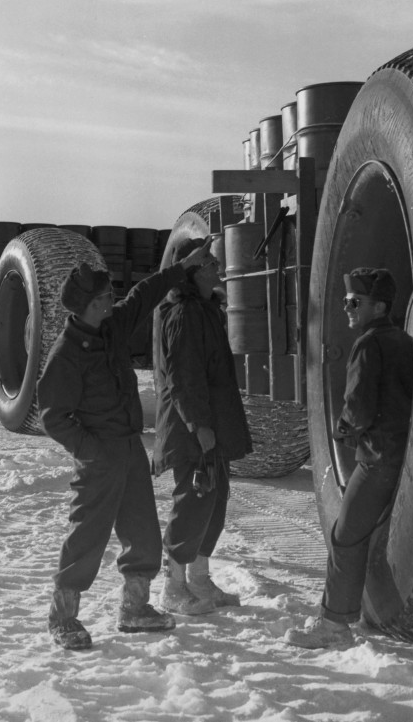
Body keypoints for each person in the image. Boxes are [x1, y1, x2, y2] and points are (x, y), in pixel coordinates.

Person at [38, 238, 216, 651]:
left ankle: (134, 609)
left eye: (109, 296)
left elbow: (145, 294)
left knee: (143, 534)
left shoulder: (112, 325)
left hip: (129, 449)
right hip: (99, 456)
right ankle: (62, 617)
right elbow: (53, 417)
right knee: (86, 538)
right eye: (101, 299)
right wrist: (91, 450)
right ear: (82, 305)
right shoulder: (66, 354)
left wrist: (182, 267)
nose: (109, 303)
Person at [285, 267, 413, 648]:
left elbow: (357, 406)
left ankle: (334, 626)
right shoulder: (403, 342)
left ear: (379, 306)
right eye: (345, 301)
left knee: (344, 536)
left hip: (376, 457)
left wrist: (342, 429)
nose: (347, 307)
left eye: (354, 301)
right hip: (402, 452)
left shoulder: (368, 344)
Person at [152, 237, 253, 616]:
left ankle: (198, 579)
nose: (216, 264)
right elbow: (183, 378)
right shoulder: (184, 314)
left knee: (214, 498)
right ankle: (173, 587)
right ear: (190, 272)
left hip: (210, 425)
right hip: (190, 427)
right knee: (194, 500)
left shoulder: (207, 310)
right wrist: (199, 426)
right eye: (208, 260)